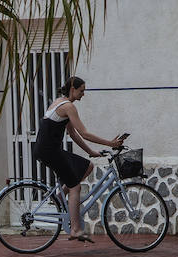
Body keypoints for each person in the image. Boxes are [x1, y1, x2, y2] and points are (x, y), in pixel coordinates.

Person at [32, 75, 125, 243]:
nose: (83, 94)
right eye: (81, 91)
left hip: (49, 149)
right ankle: (75, 229)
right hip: (49, 151)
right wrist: (110, 143)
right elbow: (84, 133)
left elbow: (73, 133)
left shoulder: (61, 103)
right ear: (73, 89)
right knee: (75, 187)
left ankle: (60, 196)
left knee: (87, 166)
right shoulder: (68, 107)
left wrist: (90, 151)